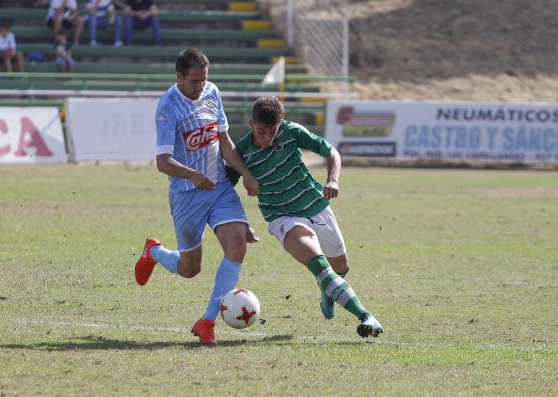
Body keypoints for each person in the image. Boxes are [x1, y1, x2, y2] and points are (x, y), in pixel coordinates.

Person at [228, 96, 383, 338]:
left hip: (315, 205)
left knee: (340, 266)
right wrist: (242, 224)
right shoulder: (241, 153)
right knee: (319, 265)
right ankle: (366, 316)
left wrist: (332, 180)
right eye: (261, 131)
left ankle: (328, 291)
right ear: (250, 123)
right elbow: (226, 192)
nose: (267, 138)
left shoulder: (291, 132)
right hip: (282, 218)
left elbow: (331, 151)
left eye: (272, 132)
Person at [134, 48, 259, 346]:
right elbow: (162, 162)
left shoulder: (212, 93)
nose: (201, 86)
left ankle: (207, 321)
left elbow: (224, 140)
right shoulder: (168, 108)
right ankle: (154, 251)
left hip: (218, 187)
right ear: (179, 77)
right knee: (190, 269)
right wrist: (192, 175)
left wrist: (245, 174)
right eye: (194, 81)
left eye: (204, 80)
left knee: (238, 245)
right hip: (187, 194)